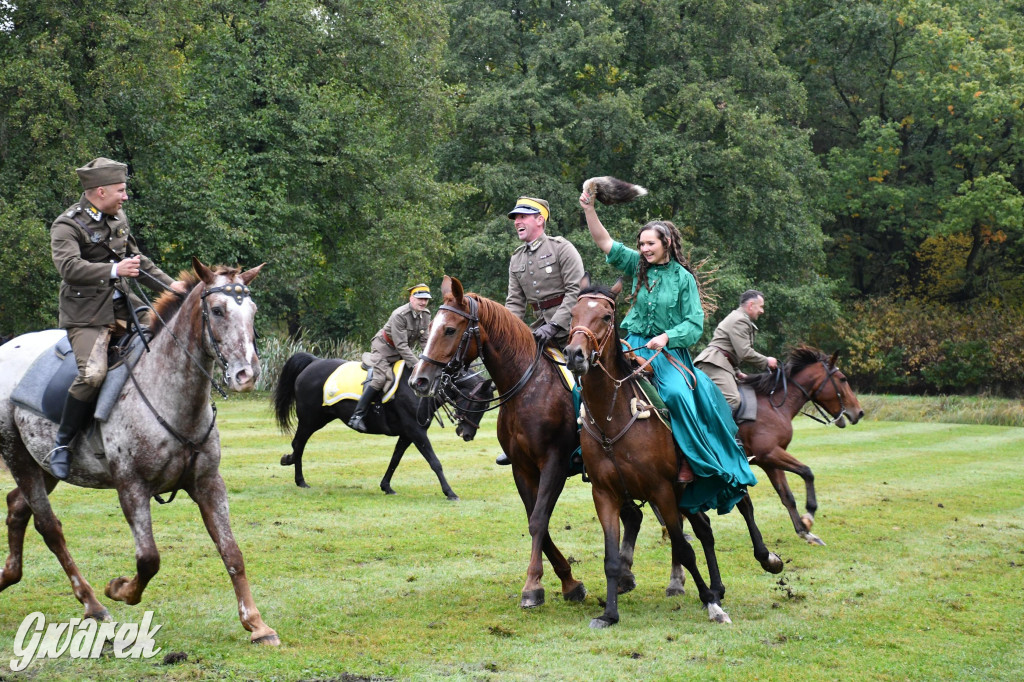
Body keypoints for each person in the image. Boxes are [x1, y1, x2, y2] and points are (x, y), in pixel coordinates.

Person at [578, 189, 757, 515]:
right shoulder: (637, 265)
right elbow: (604, 242)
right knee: (587, 383)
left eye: (650, 244)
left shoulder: (683, 279)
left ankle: (687, 460)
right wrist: (589, 209)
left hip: (667, 352)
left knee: (675, 394)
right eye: (641, 244)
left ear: (667, 243)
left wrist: (667, 336)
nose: (644, 249)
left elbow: (694, 324)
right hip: (631, 343)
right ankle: (583, 453)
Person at [48, 157, 187, 480]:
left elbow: (138, 261)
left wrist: (173, 287)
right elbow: (68, 268)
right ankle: (63, 443)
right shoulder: (67, 225)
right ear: (101, 191)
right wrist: (114, 270)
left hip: (125, 306)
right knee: (93, 374)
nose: (125, 197)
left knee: (172, 339)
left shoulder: (117, 217)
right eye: (121, 190)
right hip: (86, 315)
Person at [497, 196, 585, 465]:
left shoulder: (561, 248)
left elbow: (576, 290)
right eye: (515, 218)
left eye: (523, 216)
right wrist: (508, 337)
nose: (517, 222)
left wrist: (555, 324)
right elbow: (515, 302)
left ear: (539, 220)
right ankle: (515, 439)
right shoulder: (516, 258)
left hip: (572, 330)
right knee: (512, 376)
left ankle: (589, 437)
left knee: (584, 379)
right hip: (538, 331)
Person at [348, 283, 433, 433]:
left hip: (400, 353)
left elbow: (425, 341)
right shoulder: (399, 315)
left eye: (426, 299)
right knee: (380, 379)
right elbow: (401, 345)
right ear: (411, 298)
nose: (423, 302)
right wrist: (417, 365)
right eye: (420, 299)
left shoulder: (425, 315)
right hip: (383, 349)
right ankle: (356, 416)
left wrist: (429, 361)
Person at [694, 290, 778, 413]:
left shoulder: (737, 317)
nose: (762, 311)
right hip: (714, 364)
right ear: (751, 305)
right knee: (732, 399)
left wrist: (737, 372)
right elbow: (744, 352)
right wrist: (766, 361)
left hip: (717, 363)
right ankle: (712, 426)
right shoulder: (740, 320)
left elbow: (727, 349)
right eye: (761, 306)